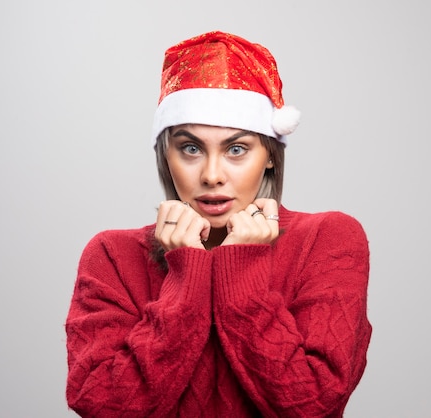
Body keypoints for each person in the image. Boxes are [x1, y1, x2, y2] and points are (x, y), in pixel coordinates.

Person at [65, 30, 372, 417]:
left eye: (237, 149)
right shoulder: (112, 255)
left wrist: (241, 270)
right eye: (190, 148)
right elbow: (103, 406)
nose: (212, 175)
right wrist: (186, 279)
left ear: (270, 156)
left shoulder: (327, 239)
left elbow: (312, 404)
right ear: (166, 156)